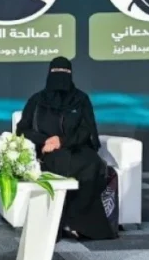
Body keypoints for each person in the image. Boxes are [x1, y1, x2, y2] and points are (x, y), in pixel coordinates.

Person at [15, 57, 116, 240]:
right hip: (48, 151)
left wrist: (62, 141)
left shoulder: (81, 99)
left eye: (65, 72)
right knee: (60, 164)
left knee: (91, 164)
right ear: (49, 73)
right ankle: (61, 223)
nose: (60, 77)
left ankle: (81, 224)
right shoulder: (36, 100)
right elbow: (22, 130)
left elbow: (86, 129)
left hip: (76, 147)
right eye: (56, 72)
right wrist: (45, 141)